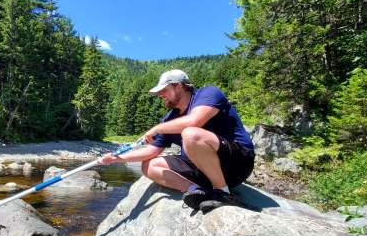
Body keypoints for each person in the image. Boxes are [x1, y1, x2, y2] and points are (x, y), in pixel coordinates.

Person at [100, 69, 255, 213]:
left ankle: (223, 194)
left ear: (179, 86)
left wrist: (158, 128)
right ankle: (198, 191)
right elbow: (152, 151)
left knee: (190, 134)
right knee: (149, 165)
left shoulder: (208, 93)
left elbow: (194, 121)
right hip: (202, 169)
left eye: (164, 90)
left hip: (237, 163)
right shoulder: (169, 118)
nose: (160, 94)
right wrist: (116, 159)